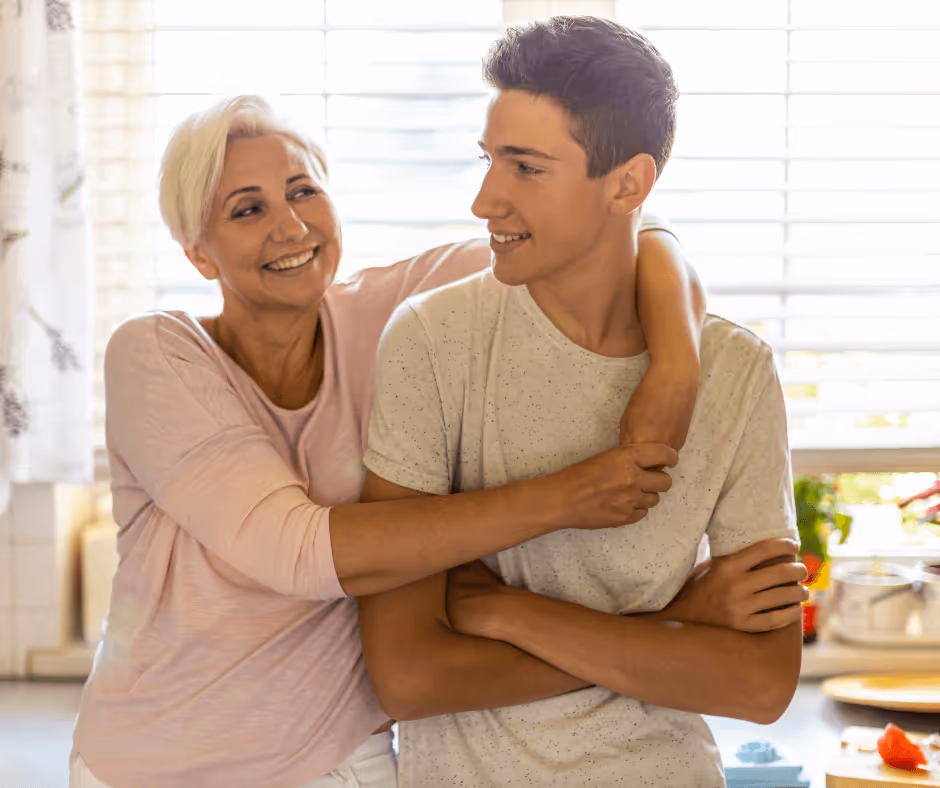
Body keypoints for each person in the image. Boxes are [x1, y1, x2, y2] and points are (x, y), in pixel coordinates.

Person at [66, 92, 749, 788]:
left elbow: (621, 229)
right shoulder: (156, 354)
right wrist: (575, 509)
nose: (291, 224)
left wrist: (674, 368)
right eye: (247, 209)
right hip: (154, 761)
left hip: (342, 757)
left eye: (304, 191)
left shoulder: (392, 315)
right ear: (198, 254)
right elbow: (297, 552)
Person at [357, 17, 805, 788]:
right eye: (489, 159)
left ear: (627, 185)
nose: (484, 200)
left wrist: (505, 611)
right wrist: (671, 633)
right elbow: (409, 677)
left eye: (526, 168)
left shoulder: (734, 371)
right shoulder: (433, 340)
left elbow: (760, 685)